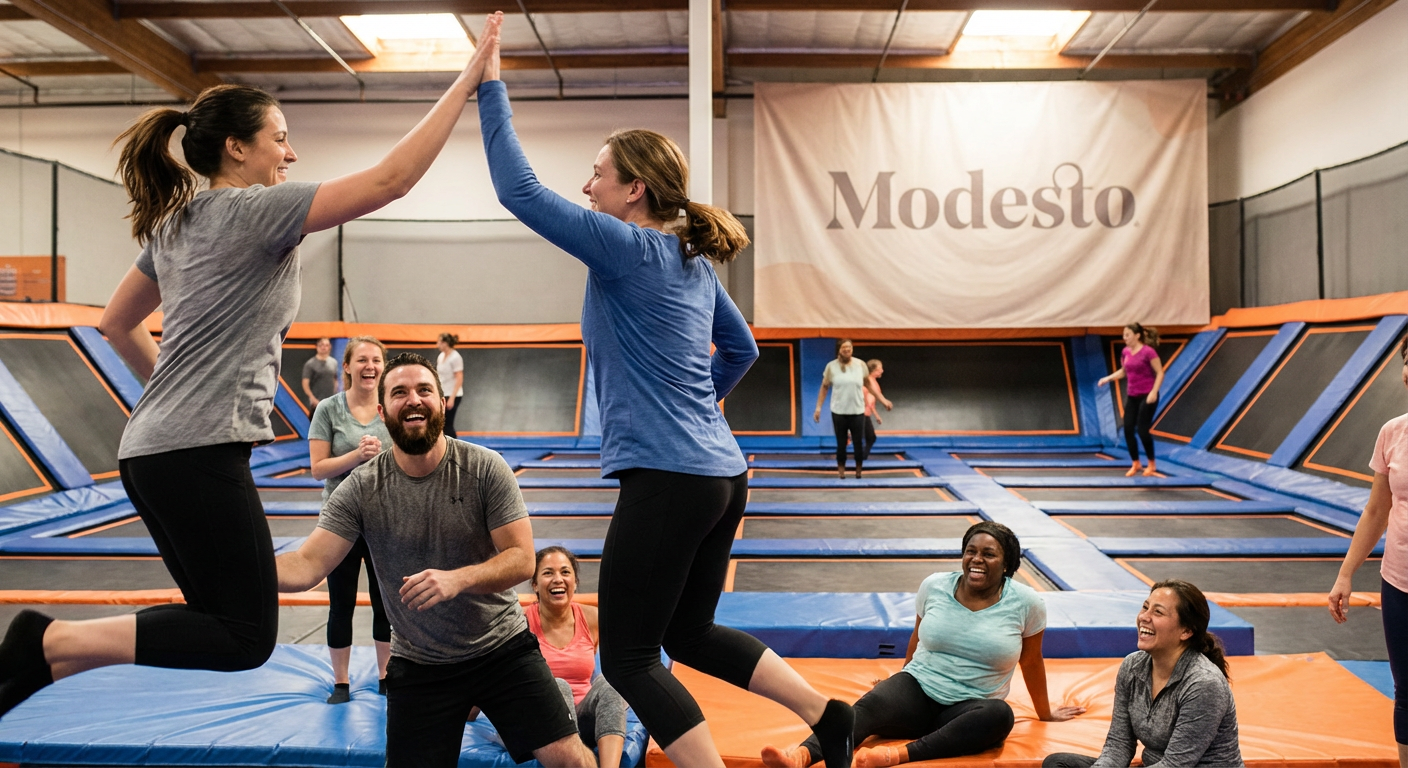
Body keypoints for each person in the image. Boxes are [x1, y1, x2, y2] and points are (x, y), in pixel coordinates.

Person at [0, 12, 506, 721]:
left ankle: (51, 656)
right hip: (196, 452)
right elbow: (392, 180)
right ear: (237, 149)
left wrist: (174, 400)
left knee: (219, 619)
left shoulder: (176, 222)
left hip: (151, 450)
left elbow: (115, 324)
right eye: (280, 138)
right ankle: (48, 637)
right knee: (244, 636)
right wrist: (468, 79)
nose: (291, 155)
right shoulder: (254, 210)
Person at [478, 51, 858, 768]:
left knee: (625, 656)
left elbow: (518, 190)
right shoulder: (690, 261)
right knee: (688, 633)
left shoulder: (625, 247)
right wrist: (698, 406)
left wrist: (489, 85)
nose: (586, 185)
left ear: (634, 191)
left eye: (598, 173)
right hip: (721, 473)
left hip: (670, 478)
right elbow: (741, 349)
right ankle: (828, 713)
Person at [277, 355, 594, 767]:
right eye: (400, 393)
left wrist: (457, 580)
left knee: (568, 758)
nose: (414, 400)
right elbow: (306, 564)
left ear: (443, 402)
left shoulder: (483, 468)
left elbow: (520, 561)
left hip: (501, 648)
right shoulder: (361, 487)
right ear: (381, 411)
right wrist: (234, 569)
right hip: (420, 662)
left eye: (424, 390)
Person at [763, 522, 1084, 768]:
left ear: (1007, 563)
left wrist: (1046, 714)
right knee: (868, 706)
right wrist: (897, 683)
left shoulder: (1026, 603)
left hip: (971, 705)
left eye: (989, 554)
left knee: (1000, 716)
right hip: (919, 688)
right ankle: (802, 755)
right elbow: (917, 639)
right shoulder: (935, 586)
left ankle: (896, 755)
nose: (976, 559)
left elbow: (1030, 661)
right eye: (971, 551)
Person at [1044, 580, 1242, 768]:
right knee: (1058, 763)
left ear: (1186, 631)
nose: (1144, 617)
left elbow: (1176, 765)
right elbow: (1118, 745)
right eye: (1145, 607)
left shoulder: (1203, 684)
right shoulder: (1133, 666)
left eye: (1158, 612)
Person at [1330, 337, 1408, 765]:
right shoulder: (1393, 432)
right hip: (1399, 582)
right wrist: (1346, 574)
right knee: (1407, 690)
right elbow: (1377, 509)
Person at [308, 335, 392, 703]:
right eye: (362, 360)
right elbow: (317, 468)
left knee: (385, 603)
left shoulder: (392, 408)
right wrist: (356, 456)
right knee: (340, 602)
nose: (370, 366)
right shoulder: (329, 409)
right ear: (347, 366)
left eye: (376, 360)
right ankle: (341, 681)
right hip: (339, 521)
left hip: (385, 520)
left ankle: (386, 675)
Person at [527, 546, 630, 768]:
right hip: (537, 724)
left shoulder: (592, 618)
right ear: (534, 584)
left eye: (565, 572)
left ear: (575, 582)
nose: (558, 579)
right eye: (548, 573)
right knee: (558, 686)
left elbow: (628, 669)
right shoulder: (520, 624)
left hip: (582, 722)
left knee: (610, 683)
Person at [813, 340, 891, 479]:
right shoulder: (831, 367)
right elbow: (824, 387)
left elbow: (869, 385)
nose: (847, 350)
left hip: (857, 411)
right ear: (839, 350)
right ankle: (841, 473)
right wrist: (818, 408)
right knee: (841, 443)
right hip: (839, 411)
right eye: (844, 348)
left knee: (857, 442)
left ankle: (858, 471)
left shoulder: (860, 365)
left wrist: (883, 400)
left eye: (849, 348)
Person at [1097, 323, 1164, 477]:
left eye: (1127, 335)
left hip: (1147, 395)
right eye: (1124, 335)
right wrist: (1107, 379)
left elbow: (1160, 372)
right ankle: (1136, 463)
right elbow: (1124, 371)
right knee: (1127, 429)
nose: (1124, 338)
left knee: (1142, 429)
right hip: (1133, 396)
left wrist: (1154, 392)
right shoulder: (1126, 351)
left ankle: (1151, 463)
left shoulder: (1149, 352)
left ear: (1137, 335)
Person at [436, 333, 465, 438]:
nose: (437, 344)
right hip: (444, 393)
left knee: (448, 423)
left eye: (439, 342)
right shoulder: (441, 356)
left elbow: (459, 378)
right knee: (441, 423)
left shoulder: (455, 357)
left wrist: (452, 398)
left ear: (445, 343)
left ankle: (454, 446)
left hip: (453, 394)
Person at [302, 336, 340, 410]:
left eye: (326, 345)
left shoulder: (334, 362)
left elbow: (335, 380)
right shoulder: (310, 364)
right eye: (321, 345)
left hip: (330, 403)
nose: (324, 347)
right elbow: (305, 384)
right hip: (316, 404)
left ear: (330, 347)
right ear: (317, 346)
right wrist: (313, 399)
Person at [862, 359, 886, 462]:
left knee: (871, 438)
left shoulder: (874, 382)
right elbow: (865, 397)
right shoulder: (867, 381)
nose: (882, 371)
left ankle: (862, 458)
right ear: (874, 370)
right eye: (880, 369)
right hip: (861, 413)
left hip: (866, 414)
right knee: (869, 437)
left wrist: (876, 415)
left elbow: (872, 401)